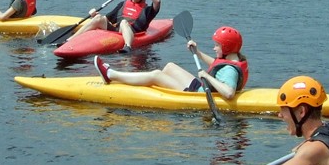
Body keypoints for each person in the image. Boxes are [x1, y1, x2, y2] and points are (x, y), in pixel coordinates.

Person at [93, 25, 248, 100]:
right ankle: (124, 76)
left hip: (197, 95)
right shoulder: (231, 60)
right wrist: (198, 53)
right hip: (201, 88)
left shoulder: (230, 71)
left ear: (226, 47)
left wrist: (206, 77)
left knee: (156, 75)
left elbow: (228, 93)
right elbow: (216, 64)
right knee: (169, 66)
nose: (214, 48)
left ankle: (111, 74)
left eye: (217, 45)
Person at [72, 0, 160, 51]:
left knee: (124, 22)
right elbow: (107, 19)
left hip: (133, 33)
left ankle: (127, 47)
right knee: (99, 18)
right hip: (117, 30)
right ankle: (70, 40)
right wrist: (95, 15)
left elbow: (157, 1)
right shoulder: (123, 4)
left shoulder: (148, 11)